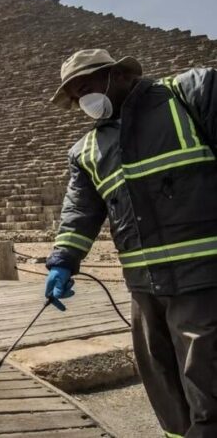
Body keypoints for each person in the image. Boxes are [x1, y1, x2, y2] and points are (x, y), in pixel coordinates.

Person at [45, 49, 217, 437]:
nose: (82, 98)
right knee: (165, 388)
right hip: (144, 289)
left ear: (119, 75)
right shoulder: (86, 150)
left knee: (209, 387)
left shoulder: (191, 94)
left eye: (86, 86)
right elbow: (80, 209)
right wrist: (63, 260)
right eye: (75, 94)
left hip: (205, 280)